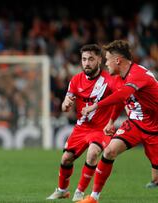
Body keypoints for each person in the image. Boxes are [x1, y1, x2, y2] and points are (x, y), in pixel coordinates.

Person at [79, 40, 158, 203]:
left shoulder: (138, 74)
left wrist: (95, 106)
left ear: (117, 60)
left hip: (156, 127)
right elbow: (121, 100)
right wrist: (111, 122)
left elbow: (122, 95)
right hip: (136, 123)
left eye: (107, 59)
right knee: (108, 151)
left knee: (156, 174)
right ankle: (93, 197)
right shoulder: (117, 78)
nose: (105, 63)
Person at [46, 44, 119, 201]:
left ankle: (79, 192)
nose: (87, 63)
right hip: (82, 127)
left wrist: (112, 121)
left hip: (101, 128)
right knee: (66, 159)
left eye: (91, 59)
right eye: (84, 59)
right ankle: (62, 190)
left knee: (92, 154)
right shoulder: (76, 79)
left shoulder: (109, 81)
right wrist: (66, 104)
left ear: (99, 60)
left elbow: (120, 99)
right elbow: (65, 104)